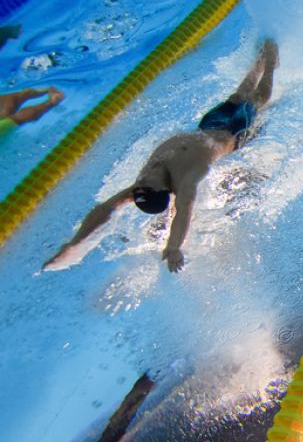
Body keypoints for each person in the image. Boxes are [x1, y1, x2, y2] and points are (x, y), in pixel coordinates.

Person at [44, 40, 278, 272]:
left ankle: (259, 61)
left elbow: (106, 209)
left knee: (238, 95)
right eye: (146, 183)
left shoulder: (143, 185)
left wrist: (74, 243)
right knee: (258, 98)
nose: (143, 178)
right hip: (235, 132)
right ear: (161, 190)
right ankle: (270, 65)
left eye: (140, 183)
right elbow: (184, 210)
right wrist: (174, 247)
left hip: (209, 125)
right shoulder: (186, 180)